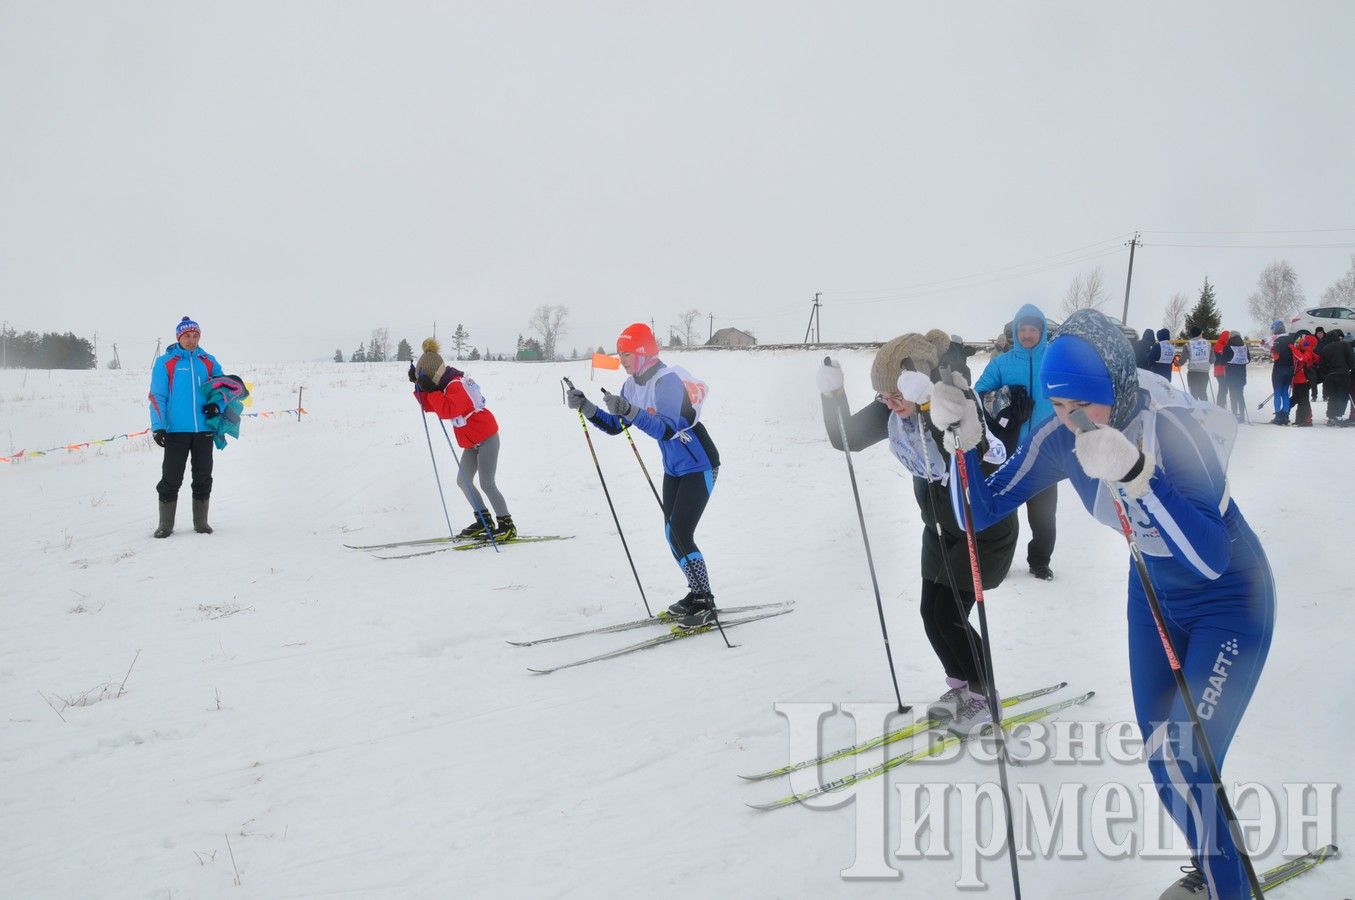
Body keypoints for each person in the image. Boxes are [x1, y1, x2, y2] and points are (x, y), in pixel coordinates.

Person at [930, 308, 1273, 900]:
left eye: (1083, 406)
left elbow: (1210, 556)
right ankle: (1214, 868)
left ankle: (1228, 888)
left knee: (1183, 760)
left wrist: (1140, 476)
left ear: (1115, 387)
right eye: (1060, 407)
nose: (1072, 422)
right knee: (1164, 758)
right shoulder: (1058, 437)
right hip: (1153, 596)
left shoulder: (1173, 428)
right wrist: (961, 443)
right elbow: (974, 514)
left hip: (1231, 600)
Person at [817, 333, 1018, 734]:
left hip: (981, 527)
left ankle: (984, 696)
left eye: (896, 397)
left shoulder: (957, 404)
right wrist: (832, 395)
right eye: (883, 398)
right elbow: (846, 438)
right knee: (932, 615)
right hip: (940, 529)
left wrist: (928, 406)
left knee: (952, 615)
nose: (890, 406)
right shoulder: (893, 406)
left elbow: (961, 454)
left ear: (919, 384)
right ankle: (961, 688)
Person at [565, 323, 721, 627]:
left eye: (626, 354)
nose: (621, 359)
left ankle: (706, 602)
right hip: (674, 468)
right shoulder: (632, 385)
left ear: (643, 353)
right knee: (671, 533)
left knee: (682, 533)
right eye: (620, 354)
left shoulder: (668, 382)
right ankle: (696, 592)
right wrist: (587, 406)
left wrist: (630, 411)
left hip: (700, 463)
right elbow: (615, 425)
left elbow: (666, 427)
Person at [973, 303, 1059, 581]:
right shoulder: (1002, 363)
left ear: (1042, 330)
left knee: (1044, 517)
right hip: (1009, 451)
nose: (1027, 334)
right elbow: (980, 395)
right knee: (1003, 514)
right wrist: (1007, 396)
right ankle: (998, 561)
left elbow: (1074, 398)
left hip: (1046, 452)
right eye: (1022, 329)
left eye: (1033, 329)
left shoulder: (1054, 361)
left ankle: (1040, 562)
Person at [409, 338, 516, 540]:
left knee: (487, 483)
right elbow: (430, 406)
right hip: (471, 442)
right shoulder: (442, 386)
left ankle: (507, 525)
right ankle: (483, 520)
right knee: (463, 481)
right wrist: (419, 388)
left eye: (428, 380)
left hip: (486, 438)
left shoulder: (456, 385)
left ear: (436, 375)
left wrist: (429, 390)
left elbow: (448, 410)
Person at [148, 317, 224, 537]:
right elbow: (157, 396)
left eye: (195, 336)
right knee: (171, 477)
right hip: (175, 431)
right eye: (187, 336)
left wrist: (216, 406)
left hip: (204, 429)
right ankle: (165, 525)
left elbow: (224, 388)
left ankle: (201, 523)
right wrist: (158, 426)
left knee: (203, 476)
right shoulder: (166, 362)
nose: (191, 340)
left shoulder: (208, 361)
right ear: (178, 337)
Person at [1316, 328, 1354, 424]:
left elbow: (1322, 365)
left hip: (1330, 375)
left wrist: (1325, 376)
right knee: (1342, 395)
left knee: (1332, 396)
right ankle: (1339, 415)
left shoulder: (1325, 349)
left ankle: (1331, 416)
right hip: (1343, 373)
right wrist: (1349, 368)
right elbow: (1352, 359)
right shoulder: (1345, 345)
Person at [1266, 321, 1294, 426]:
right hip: (1290, 369)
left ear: (1276, 329)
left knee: (1277, 393)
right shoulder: (1291, 339)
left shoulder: (1277, 341)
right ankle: (1286, 417)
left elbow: (1276, 356)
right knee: (1285, 393)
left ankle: (1278, 417)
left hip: (1279, 369)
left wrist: (1272, 351)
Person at [1289, 334, 1319, 427]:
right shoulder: (1301, 350)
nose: (1302, 343)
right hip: (1297, 380)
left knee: (1304, 401)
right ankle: (1299, 419)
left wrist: (1293, 348)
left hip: (1303, 381)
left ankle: (1307, 420)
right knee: (1300, 400)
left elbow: (1303, 358)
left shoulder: (1308, 352)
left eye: (1304, 342)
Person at [1224, 333, 1248, 423]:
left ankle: (1234, 414)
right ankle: (1242, 414)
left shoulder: (1228, 346)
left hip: (1230, 374)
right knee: (1240, 395)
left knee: (1232, 395)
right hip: (1241, 375)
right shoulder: (1244, 347)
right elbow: (1248, 359)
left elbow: (1223, 360)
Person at [1183, 327, 1212, 401]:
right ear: (1200, 333)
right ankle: (1206, 410)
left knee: (1193, 394)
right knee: (1203, 392)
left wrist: (1177, 364)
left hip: (1193, 373)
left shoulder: (1188, 344)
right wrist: (1206, 363)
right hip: (1204, 373)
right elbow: (1213, 359)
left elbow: (1183, 359)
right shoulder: (1208, 343)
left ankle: (1195, 411)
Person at [1211, 331, 1232, 410]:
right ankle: (1220, 405)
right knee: (1223, 388)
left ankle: (1221, 404)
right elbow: (1218, 359)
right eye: (1228, 337)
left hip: (1221, 370)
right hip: (1220, 370)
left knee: (1223, 387)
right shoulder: (1219, 346)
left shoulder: (1223, 345)